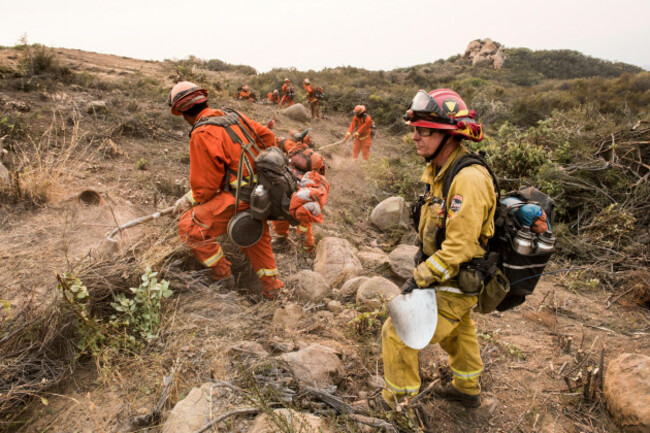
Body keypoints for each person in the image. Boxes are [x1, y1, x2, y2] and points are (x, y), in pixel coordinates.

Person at [380, 89, 494, 409]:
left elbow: (460, 246)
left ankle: (399, 406)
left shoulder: (468, 180)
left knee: (397, 331)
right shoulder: (438, 170)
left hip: (456, 277)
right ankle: (467, 387)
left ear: (447, 135)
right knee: (458, 331)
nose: (415, 137)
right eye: (414, 129)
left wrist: (420, 277)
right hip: (451, 275)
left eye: (423, 130)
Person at [168, 81, 284, 300]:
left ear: (182, 113)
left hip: (238, 199)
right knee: (256, 236)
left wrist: (188, 199)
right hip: (262, 194)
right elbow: (269, 138)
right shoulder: (235, 116)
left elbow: (205, 189)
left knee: (189, 226)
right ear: (205, 100)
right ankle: (273, 288)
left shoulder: (202, 133)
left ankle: (222, 277)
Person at [271, 148, 328, 253]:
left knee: (303, 225)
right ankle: (283, 239)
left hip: (301, 202)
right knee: (283, 217)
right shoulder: (313, 179)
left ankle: (307, 250)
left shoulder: (310, 183)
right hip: (295, 198)